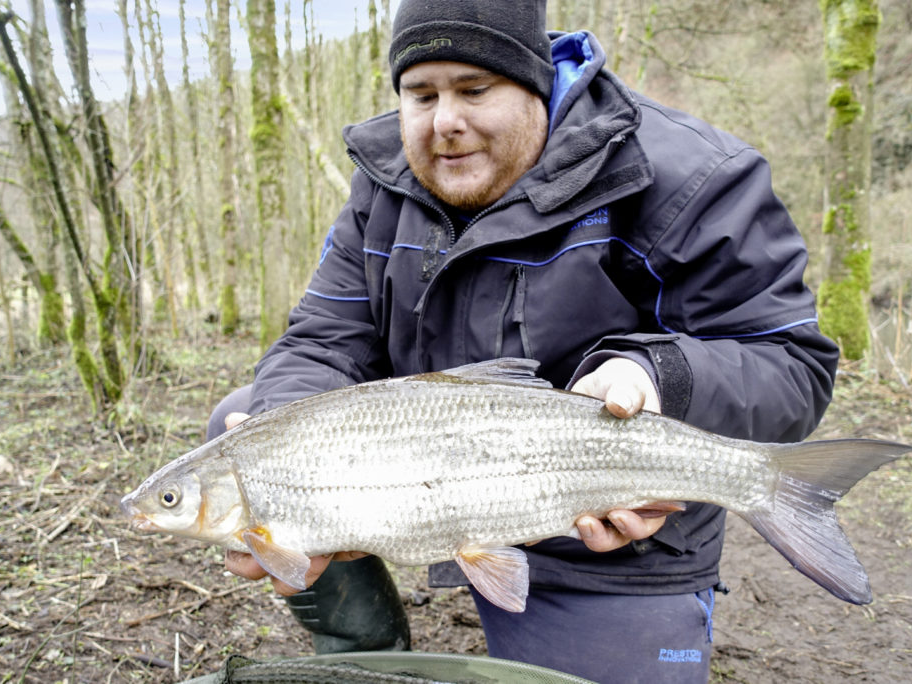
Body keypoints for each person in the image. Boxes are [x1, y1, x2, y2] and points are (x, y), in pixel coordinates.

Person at [206, 0, 839, 681]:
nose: (445, 121)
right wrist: (279, 443)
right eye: (421, 95)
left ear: (537, 84)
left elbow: (789, 363)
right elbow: (324, 337)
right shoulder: (385, 176)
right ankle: (362, 645)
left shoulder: (694, 177)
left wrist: (658, 377)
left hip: (613, 523)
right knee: (245, 427)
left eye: (474, 90)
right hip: (422, 470)